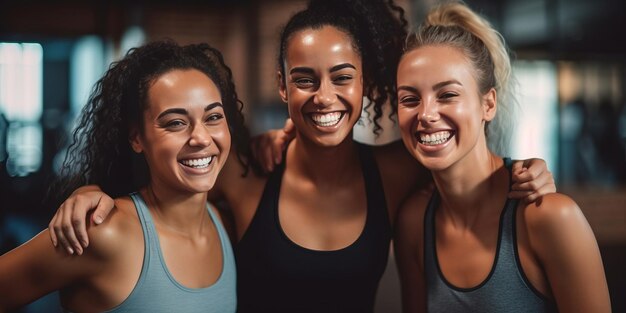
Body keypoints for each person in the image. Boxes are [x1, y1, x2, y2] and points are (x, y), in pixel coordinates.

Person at [47, 1, 555, 312]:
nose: (325, 97)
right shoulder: (246, 172)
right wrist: (95, 193)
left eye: (342, 78)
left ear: (366, 84)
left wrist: (524, 171)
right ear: (283, 87)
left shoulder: (396, 170)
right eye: (305, 80)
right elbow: (162, 171)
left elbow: (458, 146)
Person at [393, 3, 611, 312]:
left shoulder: (548, 216)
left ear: (488, 104)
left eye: (447, 95)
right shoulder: (413, 223)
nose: (426, 114)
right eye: (410, 99)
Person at [0, 40, 243, 312]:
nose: (200, 137)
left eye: (213, 117)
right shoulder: (101, 232)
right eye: (175, 122)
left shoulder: (227, 226)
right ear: (136, 137)